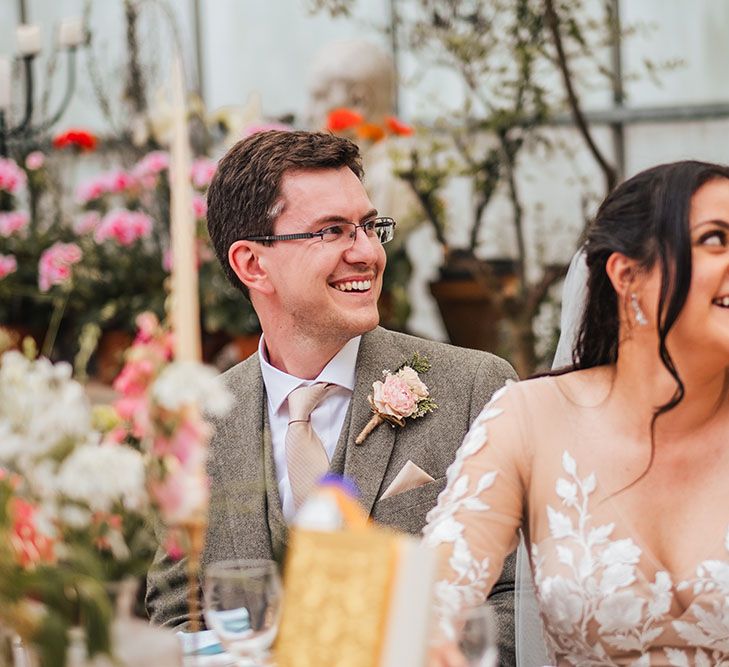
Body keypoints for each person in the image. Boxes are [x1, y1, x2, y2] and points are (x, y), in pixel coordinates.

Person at [145, 130, 519, 662]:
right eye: (333, 232)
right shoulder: (193, 424)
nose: (367, 253)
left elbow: (518, 600)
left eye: (369, 227)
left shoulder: (475, 389)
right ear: (253, 264)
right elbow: (175, 614)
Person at [424, 160, 729, 666]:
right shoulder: (530, 418)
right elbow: (436, 594)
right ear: (628, 275)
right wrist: (429, 640)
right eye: (716, 239)